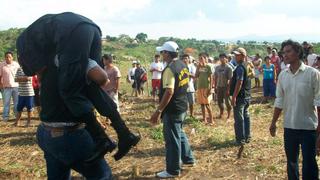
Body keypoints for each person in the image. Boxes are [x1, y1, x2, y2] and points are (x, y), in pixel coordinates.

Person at [16, 12, 139, 179]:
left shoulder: (37, 51)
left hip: (54, 132)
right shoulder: (68, 56)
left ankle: (102, 139)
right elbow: (102, 80)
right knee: (90, 87)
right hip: (91, 28)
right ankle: (123, 133)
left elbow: (40, 72)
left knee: (69, 90)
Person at [269, 39, 320, 180]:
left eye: (288, 51)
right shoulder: (283, 75)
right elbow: (279, 100)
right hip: (290, 127)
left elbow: (319, 103)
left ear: (298, 52)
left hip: (308, 127)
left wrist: (319, 131)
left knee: (309, 163)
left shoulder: (312, 74)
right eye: (283, 52)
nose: (285, 55)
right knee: (291, 163)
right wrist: (273, 123)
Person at [150, 41, 195, 178]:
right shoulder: (183, 65)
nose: (161, 54)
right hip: (182, 105)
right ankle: (188, 159)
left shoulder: (169, 69)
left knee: (172, 139)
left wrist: (158, 111)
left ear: (167, 53)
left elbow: (169, 91)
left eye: (162, 52)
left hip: (173, 109)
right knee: (179, 133)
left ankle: (172, 170)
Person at [230, 47, 251, 147]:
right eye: (235, 55)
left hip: (240, 97)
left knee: (239, 119)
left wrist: (234, 97)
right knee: (246, 116)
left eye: (237, 55)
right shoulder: (246, 66)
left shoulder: (240, 68)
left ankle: (240, 139)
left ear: (243, 56)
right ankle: (247, 136)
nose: (235, 56)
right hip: (246, 96)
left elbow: (239, 82)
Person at [0, 51, 20, 122]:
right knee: (6, 103)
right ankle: (5, 118)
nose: (8, 58)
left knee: (16, 103)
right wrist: (1, 85)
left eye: (9, 57)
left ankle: (17, 116)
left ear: (12, 57)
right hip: (6, 87)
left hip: (16, 86)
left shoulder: (16, 64)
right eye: (6, 57)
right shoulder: (2, 65)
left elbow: (19, 74)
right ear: (5, 57)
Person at [196, 52, 214, 125]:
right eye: (199, 58)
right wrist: (198, 67)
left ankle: (211, 120)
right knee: (202, 104)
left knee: (207, 104)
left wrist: (210, 87)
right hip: (200, 87)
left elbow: (211, 77)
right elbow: (196, 75)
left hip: (206, 87)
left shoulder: (208, 67)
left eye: (202, 58)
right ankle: (204, 119)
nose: (200, 60)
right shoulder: (199, 67)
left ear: (205, 59)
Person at [214, 53, 233, 119]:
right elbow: (215, 77)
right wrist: (215, 86)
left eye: (223, 57)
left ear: (226, 59)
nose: (222, 59)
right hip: (219, 86)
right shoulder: (217, 68)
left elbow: (230, 79)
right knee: (219, 101)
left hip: (226, 87)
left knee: (227, 102)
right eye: (221, 58)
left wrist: (228, 89)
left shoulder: (228, 68)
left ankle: (229, 115)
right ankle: (221, 113)